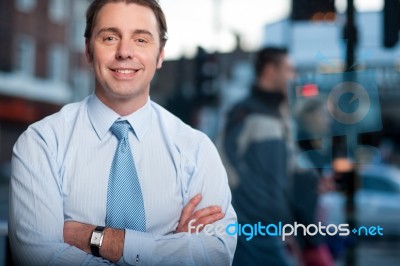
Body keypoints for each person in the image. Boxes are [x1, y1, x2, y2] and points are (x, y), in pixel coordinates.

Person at [8, 1, 237, 265]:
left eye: (140, 39)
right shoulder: (42, 143)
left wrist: (93, 237)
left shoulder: (196, 149)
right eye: (109, 37)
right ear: (88, 50)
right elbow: (38, 259)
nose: (124, 52)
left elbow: (216, 253)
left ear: (160, 54)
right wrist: (171, 248)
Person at [220, 46, 333, 266]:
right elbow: (221, 161)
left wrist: (315, 180)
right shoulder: (244, 111)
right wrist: (250, 200)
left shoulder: (281, 113)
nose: (294, 77)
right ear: (271, 70)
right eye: (289, 70)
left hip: (273, 226)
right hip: (249, 229)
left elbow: (290, 163)